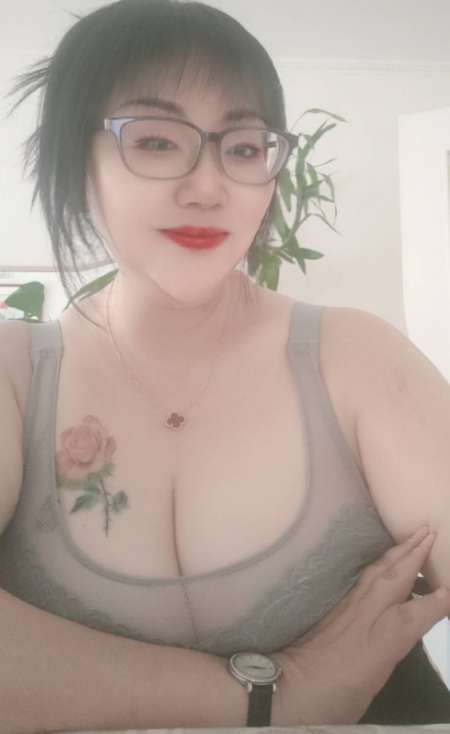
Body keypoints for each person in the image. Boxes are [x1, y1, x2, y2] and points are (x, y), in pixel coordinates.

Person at [1, 0, 450, 731]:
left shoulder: (356, 359)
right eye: (155, 141)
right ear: (73, 162)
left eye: (243, 148)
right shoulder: (14, 376)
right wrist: (284, 693)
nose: (209, 187)